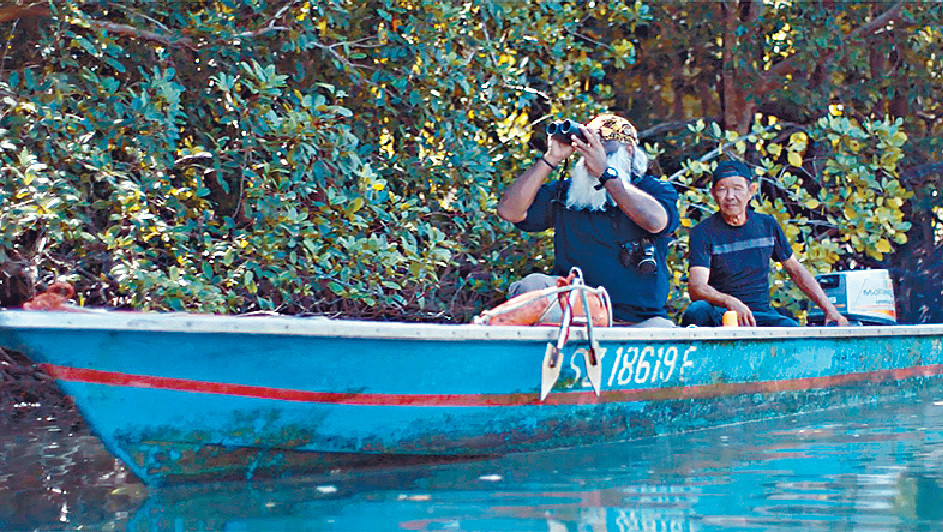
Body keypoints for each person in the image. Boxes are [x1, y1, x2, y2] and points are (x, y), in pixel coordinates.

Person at [496, 114, 679, 327]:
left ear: (628, 151)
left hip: (637, 320)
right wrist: (550, 159)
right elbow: (509, 212)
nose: (593, 155)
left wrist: (606, 174)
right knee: (532, 286)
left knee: (664, 331)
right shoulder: (570, 192)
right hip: (575, 309)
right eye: (589, 147)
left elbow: (655, 222)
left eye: (604, 148)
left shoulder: (654, 189)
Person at [682, 159, 849, 327]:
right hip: (722, 314)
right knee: (697, 311)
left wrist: (830, 310)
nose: (730, 196)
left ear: (751, 191)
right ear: (713, 194)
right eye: (722, 189)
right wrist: (729, 302)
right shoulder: (703, 232)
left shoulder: (767, 225)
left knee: (790, 328)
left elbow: (796, 270)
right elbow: (697, 288)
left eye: (737, 188)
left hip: (759, 315)